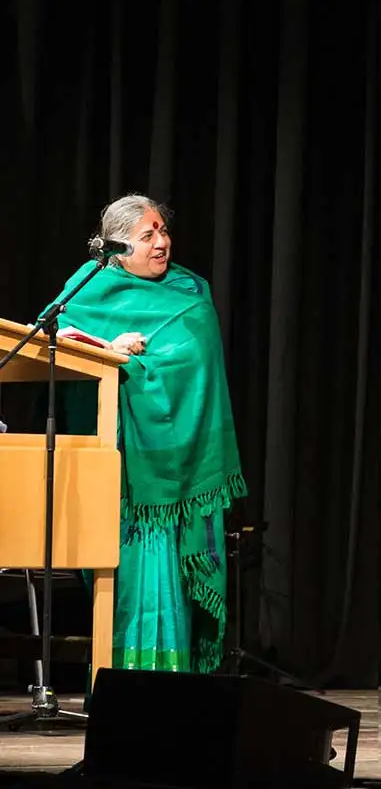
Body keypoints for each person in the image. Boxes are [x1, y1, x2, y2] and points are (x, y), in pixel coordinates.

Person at [52, 193, 247, 674]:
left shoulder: (189, 292)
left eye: (163, 231)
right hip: (114, 475)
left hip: (175, 474)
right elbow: (54, 338)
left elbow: (194, 363)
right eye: (147, 235)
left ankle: (170, 697)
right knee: (120, 579)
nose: (162, 243)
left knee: (168, 578)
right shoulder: (88, 284)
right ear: (116, 247)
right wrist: (105, 350)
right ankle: (122, 695)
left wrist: (131, 363)